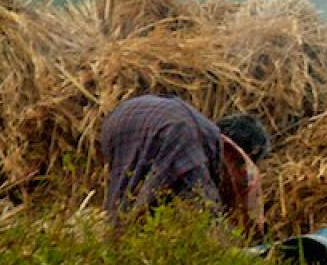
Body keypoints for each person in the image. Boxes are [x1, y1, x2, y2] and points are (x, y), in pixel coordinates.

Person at [101, 95, 267, 233]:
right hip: (168, 126)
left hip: (120, 117)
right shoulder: (199, 147)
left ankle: (117, 247)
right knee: (204, 218)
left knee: (127, 199)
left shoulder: (199, 131)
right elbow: (207, 211)